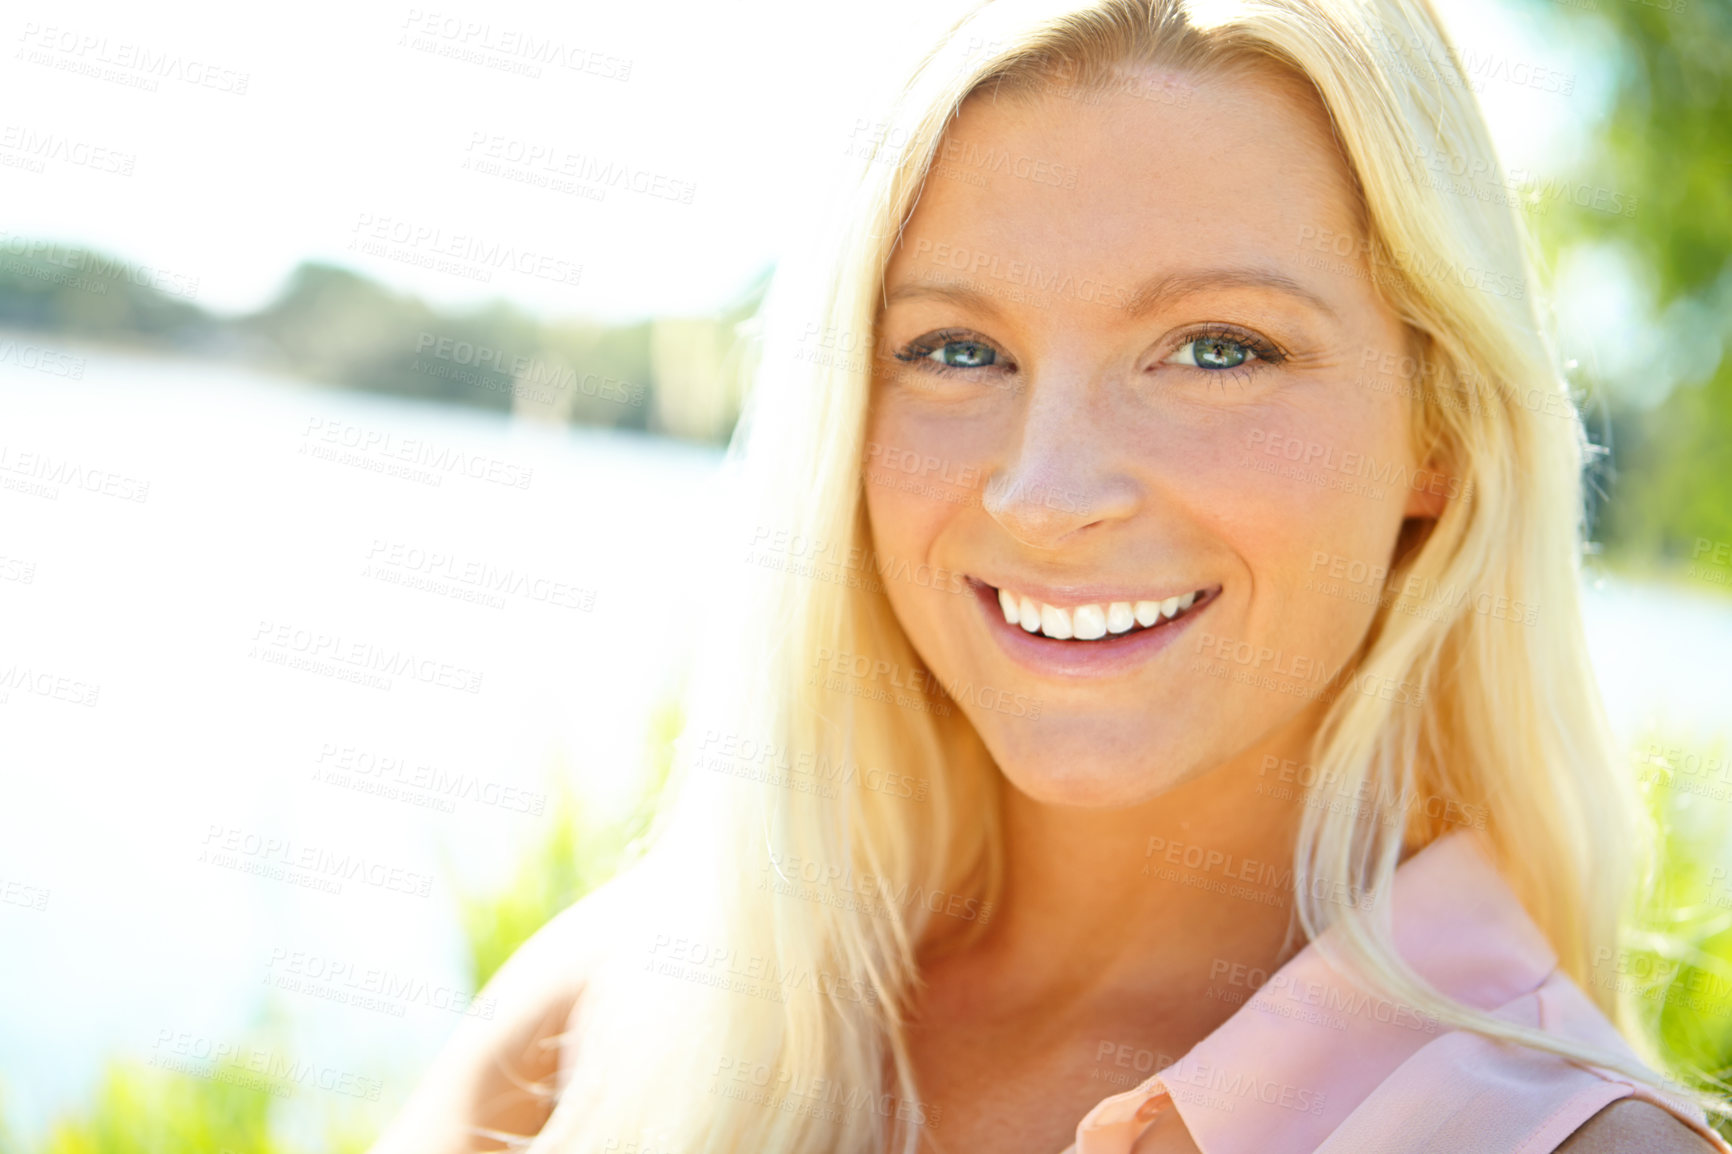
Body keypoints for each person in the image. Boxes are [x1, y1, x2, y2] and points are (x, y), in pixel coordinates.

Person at [369, 0, 1732, 1150]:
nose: (1046, 491)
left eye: (1216, 348)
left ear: (1436, 429)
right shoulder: (610, 1020)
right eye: (958, 351)